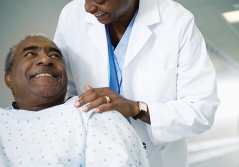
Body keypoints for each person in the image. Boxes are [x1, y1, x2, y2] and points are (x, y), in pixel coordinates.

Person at [54, 0, 220, 166]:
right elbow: (62, 93)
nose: (88, 8)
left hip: (156, 159)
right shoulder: (71, 17)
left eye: (99, 0)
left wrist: (136, 109)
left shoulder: (177, 21)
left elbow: (201, 109)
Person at [0, 34, 149, 167]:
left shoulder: (94, 112)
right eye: (30, 54)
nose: (46, 60)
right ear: (8, 78)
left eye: (55, 56)